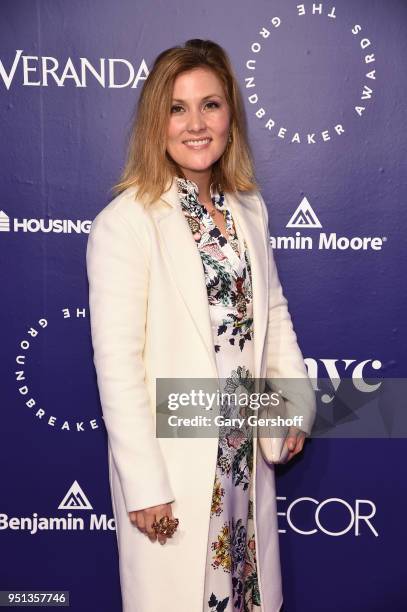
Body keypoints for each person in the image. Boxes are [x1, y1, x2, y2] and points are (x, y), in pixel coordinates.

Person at [86, 38, 316, 612]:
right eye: (177, 107)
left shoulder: (249, 208)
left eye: (210, 105)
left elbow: (273, 316)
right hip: (176, 469)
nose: (195, 124)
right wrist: (145, 485)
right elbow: (118, 367)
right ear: (154, 122)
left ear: (230, 116)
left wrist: (290, 407)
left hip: (243, 462)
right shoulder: (127, 221)